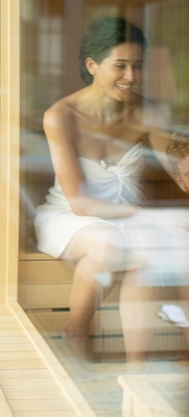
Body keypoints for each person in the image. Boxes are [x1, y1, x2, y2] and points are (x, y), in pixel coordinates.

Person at [33, 16, 189, 365]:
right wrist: (154, 218)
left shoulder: (146, 111)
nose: (131, 77)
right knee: (107, 245)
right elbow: (80, 202)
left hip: (131, 220)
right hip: (72, 217)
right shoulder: (61, 116)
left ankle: (137, 369)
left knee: (146, 252)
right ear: (92, 65)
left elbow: (176, 155)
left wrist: (185, 164)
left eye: (137, 66)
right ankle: (76, 330)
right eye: (120, 65)